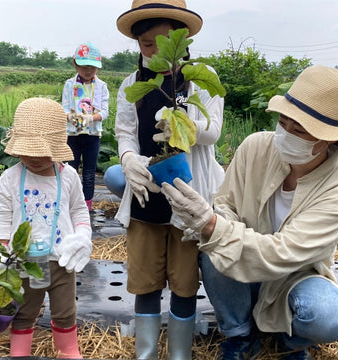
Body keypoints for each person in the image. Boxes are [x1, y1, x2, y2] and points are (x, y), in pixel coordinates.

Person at [161, 65, 338, 360]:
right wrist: (217, 224)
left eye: (299, 130)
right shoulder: (256, 147)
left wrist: (214, 225)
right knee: (214, 251)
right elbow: (227, 203)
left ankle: (292, 341)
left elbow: (284, 253)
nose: (285, 133)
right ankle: (239, 335)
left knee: (329, 317)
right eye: (283, 121)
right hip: (241, 267)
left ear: (330, 139)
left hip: (295, 275)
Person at [114, 1, 225, 359]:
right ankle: (145, 353)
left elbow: (214, 132)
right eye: (147, 44)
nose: (155, 52)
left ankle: (180, 354)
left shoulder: (201, 76)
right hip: (147, 195)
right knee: (145, 281)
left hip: (188, 193)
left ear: (182, 40)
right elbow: (125, 131)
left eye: (165, 44)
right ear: (138, 44)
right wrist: (128, 158)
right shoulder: (133, 84)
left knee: (184, 282)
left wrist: (182, 116)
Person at [0, 97, 92, 358]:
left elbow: (79, 210)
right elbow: (2, 216)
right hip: (22, 262)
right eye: (28, 151)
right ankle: (20, 351)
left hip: (61, 261)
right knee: (24, 310)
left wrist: (82, 235)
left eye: (42, 152)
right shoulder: (10, 178)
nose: (35, 158)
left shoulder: (68, 177)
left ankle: (68, 350)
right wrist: (1, 251)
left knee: (65, 310)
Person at [62, 41, 109, 211]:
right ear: (75, 63)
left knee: (89, 174)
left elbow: (105, 111)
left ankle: (86, 207)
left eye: (92, 67)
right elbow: (64, 108)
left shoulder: (102, 86)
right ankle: (69, 205)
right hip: (73, 135)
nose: (88, 70)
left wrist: (91, 118)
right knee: (70, 171)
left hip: (92, 135)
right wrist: (71, 116)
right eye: (84, 66)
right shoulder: (69, 85)